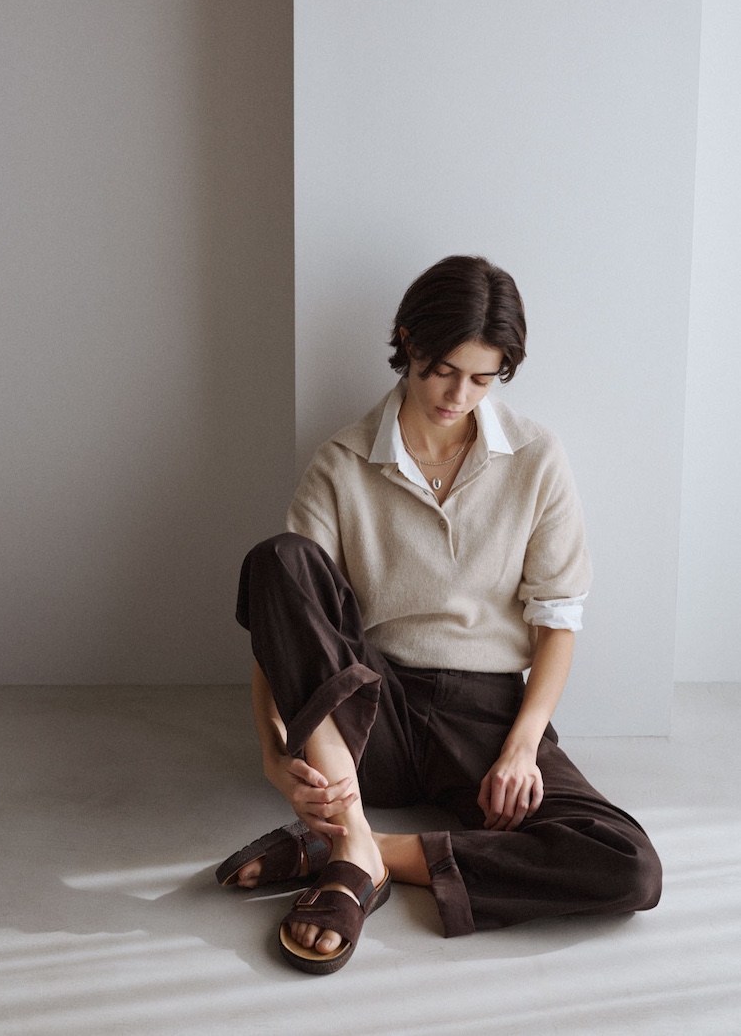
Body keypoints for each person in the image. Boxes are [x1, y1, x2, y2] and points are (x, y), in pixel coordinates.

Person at [216, 255, 662, 975]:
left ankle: (356, 850)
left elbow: (557, 621)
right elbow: (286, 621)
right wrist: (274, 756)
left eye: (483, 379)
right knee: (278, 558)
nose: (459, 395)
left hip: (486, 718)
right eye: (443, 371)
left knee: (627, 865)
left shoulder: (537, 458)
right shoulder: (341, 463)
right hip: (371, 713)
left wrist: (522, 746)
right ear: (407, 342)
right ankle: (354, 837)